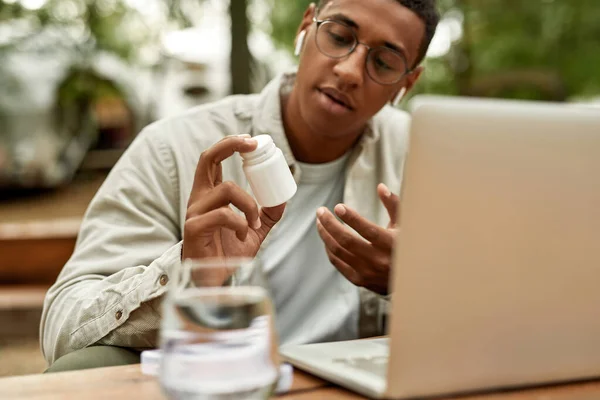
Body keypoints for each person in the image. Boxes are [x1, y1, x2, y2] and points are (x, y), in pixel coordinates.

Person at [41, 0, 440, 371]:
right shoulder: (174, 147)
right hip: (212, 379)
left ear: (408, 81)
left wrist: (414, 281)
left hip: (352, 384)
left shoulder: (427, 154)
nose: (350, 71)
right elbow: (62, 326)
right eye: (338, 37)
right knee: (82, 369)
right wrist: (189, 275)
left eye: (385, 62)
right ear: (306, 26)